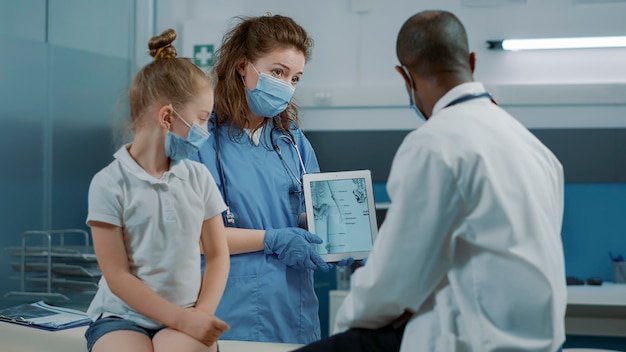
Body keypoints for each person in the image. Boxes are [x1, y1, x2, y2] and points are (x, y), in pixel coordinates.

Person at [294, 10, 566, 352]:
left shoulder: (436, 142)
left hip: (476, 343)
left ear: (405, 76)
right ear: (472, 61)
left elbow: (392, 283)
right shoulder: (536, 150)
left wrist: (344, 327)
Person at [192, 13, 350, 344]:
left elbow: (313, 210)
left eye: (295, 78)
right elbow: (191, 237)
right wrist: (272, 239)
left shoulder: (291, 140)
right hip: (230, 310)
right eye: (278, 72)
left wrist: (341, 238)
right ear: (242, 65)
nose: (286, 86)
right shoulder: (201, 140)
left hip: (296, 309)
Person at [84, 29, 230, 352]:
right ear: (167, 117)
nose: (206, 131)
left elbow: (218, 255)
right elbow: (118, 277)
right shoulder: (109, 184)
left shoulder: (199, 177)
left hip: (188, 313)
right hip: (121, 317)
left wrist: (200, 315)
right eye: (202, 119)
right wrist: (182, 320)